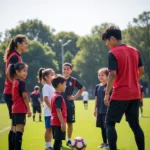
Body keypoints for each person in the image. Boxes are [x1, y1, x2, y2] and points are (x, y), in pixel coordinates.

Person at [102, 26, 145, 150]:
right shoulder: (135, 51)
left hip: (121, 93)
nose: (106, 44)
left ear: (113, 39)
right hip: (135, 93)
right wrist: (133, 80)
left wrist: (107, 93)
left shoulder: (113, 53)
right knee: (135, 125)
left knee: (109, 123)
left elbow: (112, 74)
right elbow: (141, 70)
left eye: (107, 41)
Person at [3, 34, 28, 150]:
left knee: (14, 125)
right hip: (11, 93)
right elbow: (8, 72)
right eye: (25, 43)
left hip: (11, 92)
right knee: (16, 125)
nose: (26, 45)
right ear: (18, 44)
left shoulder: (17, 56)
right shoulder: (14, 57)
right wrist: (15, 86)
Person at [8, 62, 31, 150]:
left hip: (14, 109)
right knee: (19, 132)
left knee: (14, 131)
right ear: (17, 72)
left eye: (26, 71)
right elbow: (25, 96)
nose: (25, 73)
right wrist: (28, 109)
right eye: (23, 71)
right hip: (20, 109)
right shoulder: (21, 82)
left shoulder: (14, 81)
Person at [62, 62, 85, 146]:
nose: (66, 71)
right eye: (64, 69)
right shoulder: (59, 79)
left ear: (71, 70)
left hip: (70, 105)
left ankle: (68, 140)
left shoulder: (73, 80)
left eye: (67, 69)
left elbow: (82, 88)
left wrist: (74, 97)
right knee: (60, 123)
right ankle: (59, 140)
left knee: (70, 123)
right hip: (59, 106)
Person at [38, 68, 55, 150]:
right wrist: (52, 108)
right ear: (46, 77)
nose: (53, 76)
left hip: (52, 112)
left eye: (53, 74)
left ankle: (50, 145)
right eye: (51, 75)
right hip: (49, 112)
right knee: (48, 129)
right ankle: (47, 146)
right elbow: (45, 99)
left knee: (51, 130)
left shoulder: (52, 86)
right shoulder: (46, 87)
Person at [94, 68, 109, 148]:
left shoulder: (109, 86)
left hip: (107, 110)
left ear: (107, 76)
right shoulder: (97, 86)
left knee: (108, 127)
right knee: (102, 127)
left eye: (102, 75)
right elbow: (96, 99)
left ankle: (110, 143)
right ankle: (104, 142)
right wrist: (94, 109)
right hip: (99, 110)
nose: (100, 77)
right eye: (99, 75)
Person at [51, 75, 67, 150]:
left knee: (58, 141)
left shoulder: (54, 95)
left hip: (54, 122)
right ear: (60, 85)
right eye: (65, 84)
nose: (65, 86)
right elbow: (58, 110)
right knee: (57, 142)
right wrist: (62, 123)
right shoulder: (58, 97)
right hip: (58, 122)